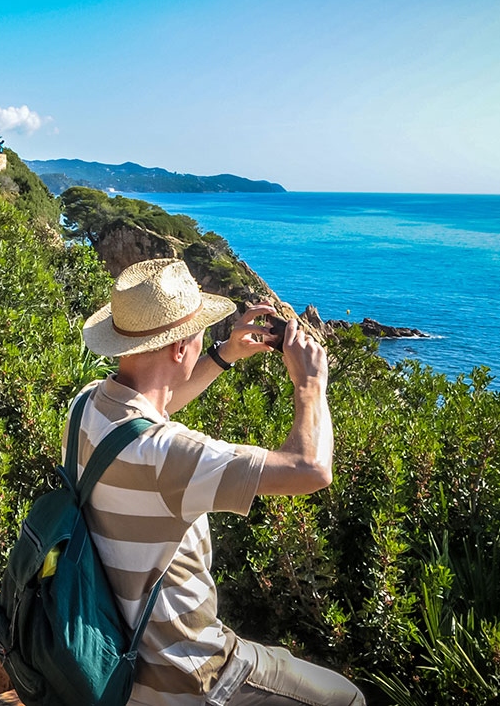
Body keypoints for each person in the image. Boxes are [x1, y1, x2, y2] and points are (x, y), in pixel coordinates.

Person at [74, 258, 365, 706]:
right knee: (345, 699)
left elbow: (152, 413)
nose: (203, 341)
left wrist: (224, 353)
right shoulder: (168, 455)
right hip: (190, 673)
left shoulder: (88, 407)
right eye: (200, 334)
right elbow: (311, 468)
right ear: (178, 349)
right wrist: (310, 384)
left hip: (115, 655)